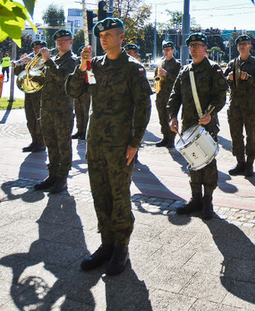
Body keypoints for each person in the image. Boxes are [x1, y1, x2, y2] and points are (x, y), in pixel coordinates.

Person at [67, 18, 152, 276]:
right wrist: (81, 68)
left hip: (119, 145)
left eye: (109, 34)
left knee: (119, 197)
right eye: (101, 35)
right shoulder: (94, 66)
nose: (103, 38)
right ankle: (106, 243)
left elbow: (144, 109)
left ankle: (121, 248)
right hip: (95, 144)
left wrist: (135, 144)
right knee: (100, 194)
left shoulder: (133, 68)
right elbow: (73, 91)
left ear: (121, 36)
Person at [167, 33, 228, 220]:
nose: (193, 48)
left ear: (205, 49)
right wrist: (172, 117)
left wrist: (210, 114)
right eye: (191, 45)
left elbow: (220, 96)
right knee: (193, 162)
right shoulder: (185, 71)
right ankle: (195, 199)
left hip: (207, 125)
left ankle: (208, 200)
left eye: (197, 45)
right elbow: (174, 96)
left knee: (208, 162)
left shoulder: (213, 69)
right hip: (188, 125)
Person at [32, 29, 77, 195]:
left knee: (63, 145)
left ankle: (62, 178)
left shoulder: (72, 60)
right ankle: (52, 175)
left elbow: (62, 78)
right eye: (58, 40)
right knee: (50, 143)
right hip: (47, 108)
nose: (60, 43)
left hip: (62, 110)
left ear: (71, 42)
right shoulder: (54, 59)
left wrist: (48, 61)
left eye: (64, 40)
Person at [223, 34, 255, 176]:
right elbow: (222, 82)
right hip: (235, 106)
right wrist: (228, 78)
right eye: (239, 44)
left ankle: (250, 163)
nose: (242, 46)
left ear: (250, 46)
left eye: (245, 44)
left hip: (250, 106)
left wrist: (248, 78)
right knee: (236, 135)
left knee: (251, 135)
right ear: (237, 47)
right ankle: (240, 162)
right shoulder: (231, 64)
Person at [13, 40, 46, 153]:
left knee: (38, 119)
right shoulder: (31, 61)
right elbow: (17, 73)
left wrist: (30, 61)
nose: (35, 50)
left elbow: (42, 73)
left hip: (40, 95)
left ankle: (41, 142)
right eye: (34, 48)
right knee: (30, 118)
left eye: (38, 47)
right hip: (29, 93)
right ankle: (34, 141)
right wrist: (19, 63)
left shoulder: (45, 60)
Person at [154, 39, 181, 148]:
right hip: (160, 94)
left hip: (171, 95)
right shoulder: (161, 63)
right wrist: (157, 79)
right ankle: (165, 137)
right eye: (165, 50)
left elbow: (179, 80)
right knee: (162, 117)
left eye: (168, 49)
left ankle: (171, 139)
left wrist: (167, 74)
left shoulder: (176, 64)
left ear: (173, 50)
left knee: (171, 117)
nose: (166, 52)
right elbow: (156, 77)